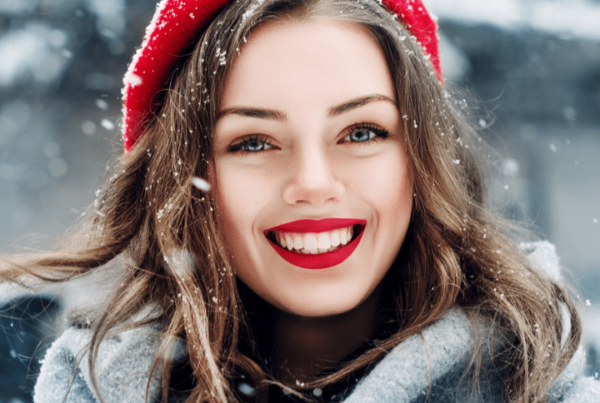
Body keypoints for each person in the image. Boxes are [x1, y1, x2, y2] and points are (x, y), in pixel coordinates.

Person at [2, 0, 599, 402]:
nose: (313, 182)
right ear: (183, 183)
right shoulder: (89, 386)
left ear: (422, 161)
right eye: (254, 141)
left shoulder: (544, 383)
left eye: (362, 132)